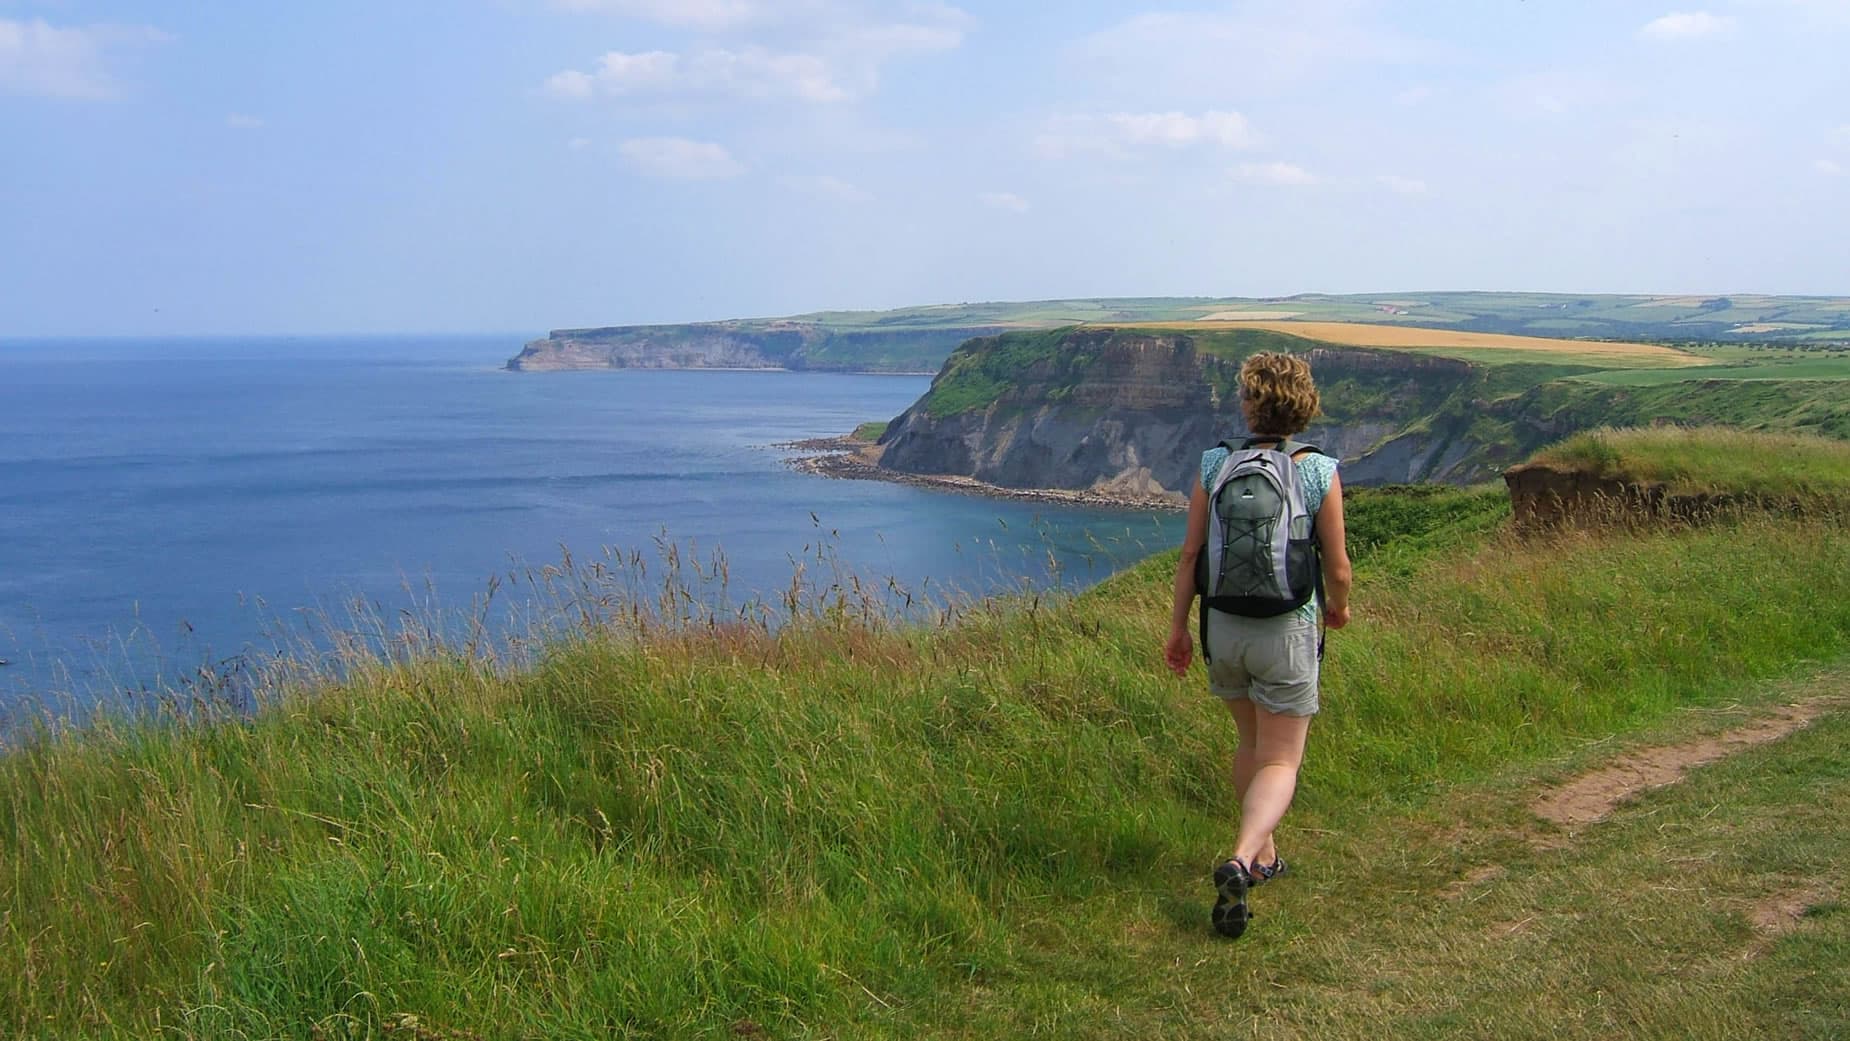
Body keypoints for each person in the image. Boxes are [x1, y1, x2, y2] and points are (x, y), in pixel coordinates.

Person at [1162, 351, 1353, 940]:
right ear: (1304, 403)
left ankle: (1264, 858)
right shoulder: (1319, 470)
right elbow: (1338, 566)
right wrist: (1339, 609)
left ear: (1249, 403)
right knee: (1280, 758)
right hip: (1288, 627)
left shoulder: (1215, 464)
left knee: (1249, 742)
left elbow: (1192, 555)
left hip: (1224, 625)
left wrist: (1177, 628)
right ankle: (1243, 858)